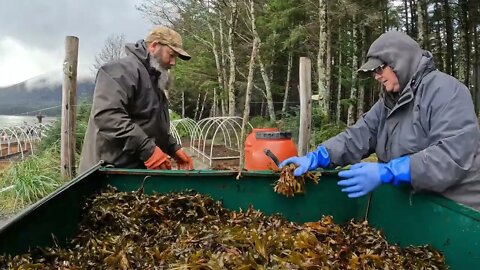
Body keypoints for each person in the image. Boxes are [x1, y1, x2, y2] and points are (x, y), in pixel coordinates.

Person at [280, 31, 480, 210]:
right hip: (420, 205)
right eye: (373, 72)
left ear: (399, 62)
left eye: (379, 69)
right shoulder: (389, 102)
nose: (376, 76)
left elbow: (452, 157)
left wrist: (391, 171)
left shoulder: (445, 90)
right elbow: (358, 135)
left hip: (459, 210)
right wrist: (319, 156)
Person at [79, 26, 194, 174]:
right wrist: (148, 150)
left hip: (134, 171)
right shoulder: (119, 71)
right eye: (171, 55)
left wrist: (173, 148)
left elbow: (151, 124)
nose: (173, 62)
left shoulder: (154, 79)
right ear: (154, 46)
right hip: (108, 171)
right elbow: (109, 117)